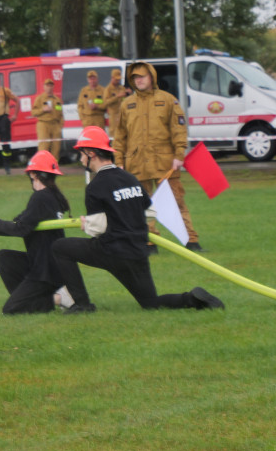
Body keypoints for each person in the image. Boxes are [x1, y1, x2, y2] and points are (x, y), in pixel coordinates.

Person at [50, 126, 224, 313]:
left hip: (111, 251)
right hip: (138, 251)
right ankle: (192, 299)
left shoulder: (95, 186)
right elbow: (150, 213)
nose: (80, 158)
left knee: (60, 247)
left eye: (81, 152)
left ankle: (82, 305)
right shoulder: (130, 178)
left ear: (91, 153)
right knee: (150, 303)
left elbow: (98, 228)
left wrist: (87, 224)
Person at [0, 150, 71, 314]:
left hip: (46, 270)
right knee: (4, 257)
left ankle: (59, 298)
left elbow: (20, 228)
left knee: (11, 309)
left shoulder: (41, 198)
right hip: (45, 264)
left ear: (33, 174)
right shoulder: (52, 197)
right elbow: (17, 225)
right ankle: (28, 298)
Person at [113, 60, 203, 252]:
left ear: (151, 77)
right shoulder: (126, 104)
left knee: (177, 201)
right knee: (142, 205)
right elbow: (120, 136)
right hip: (137, 164)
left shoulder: (168, 100)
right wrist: (119, 161)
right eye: (135, 77)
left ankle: (191, 240)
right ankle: (150, 241)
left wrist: (179, 154)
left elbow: (178, 129)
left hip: (165, 163)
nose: (138, 80)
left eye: (142, 76)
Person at [30, 78, 64, 157]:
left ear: (53, 87)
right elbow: (33, 112)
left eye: (51, 85)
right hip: (43, 124)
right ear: (44, 87)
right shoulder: (40, 98)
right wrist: (43, 109)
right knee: (43, 147)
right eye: (47, 85)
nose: (49, 87)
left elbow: (61, 114)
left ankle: (54, 166)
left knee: (56, 148)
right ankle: (42, 166)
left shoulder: (57, 100)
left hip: (55, 125)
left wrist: (60, 126)